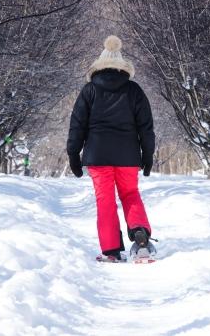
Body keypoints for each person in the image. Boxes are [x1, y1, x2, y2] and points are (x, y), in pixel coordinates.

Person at [66, 35, 156, 263]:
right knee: (130, 194)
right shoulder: (134, 90)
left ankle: (111, 251)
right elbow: (146, 127)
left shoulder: (89, 91)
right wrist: (148, 155)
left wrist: (73, 154)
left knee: (105, 200)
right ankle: (140, 232)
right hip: (128, 155)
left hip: (98, 155)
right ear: (122, 66)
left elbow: (77, 124)